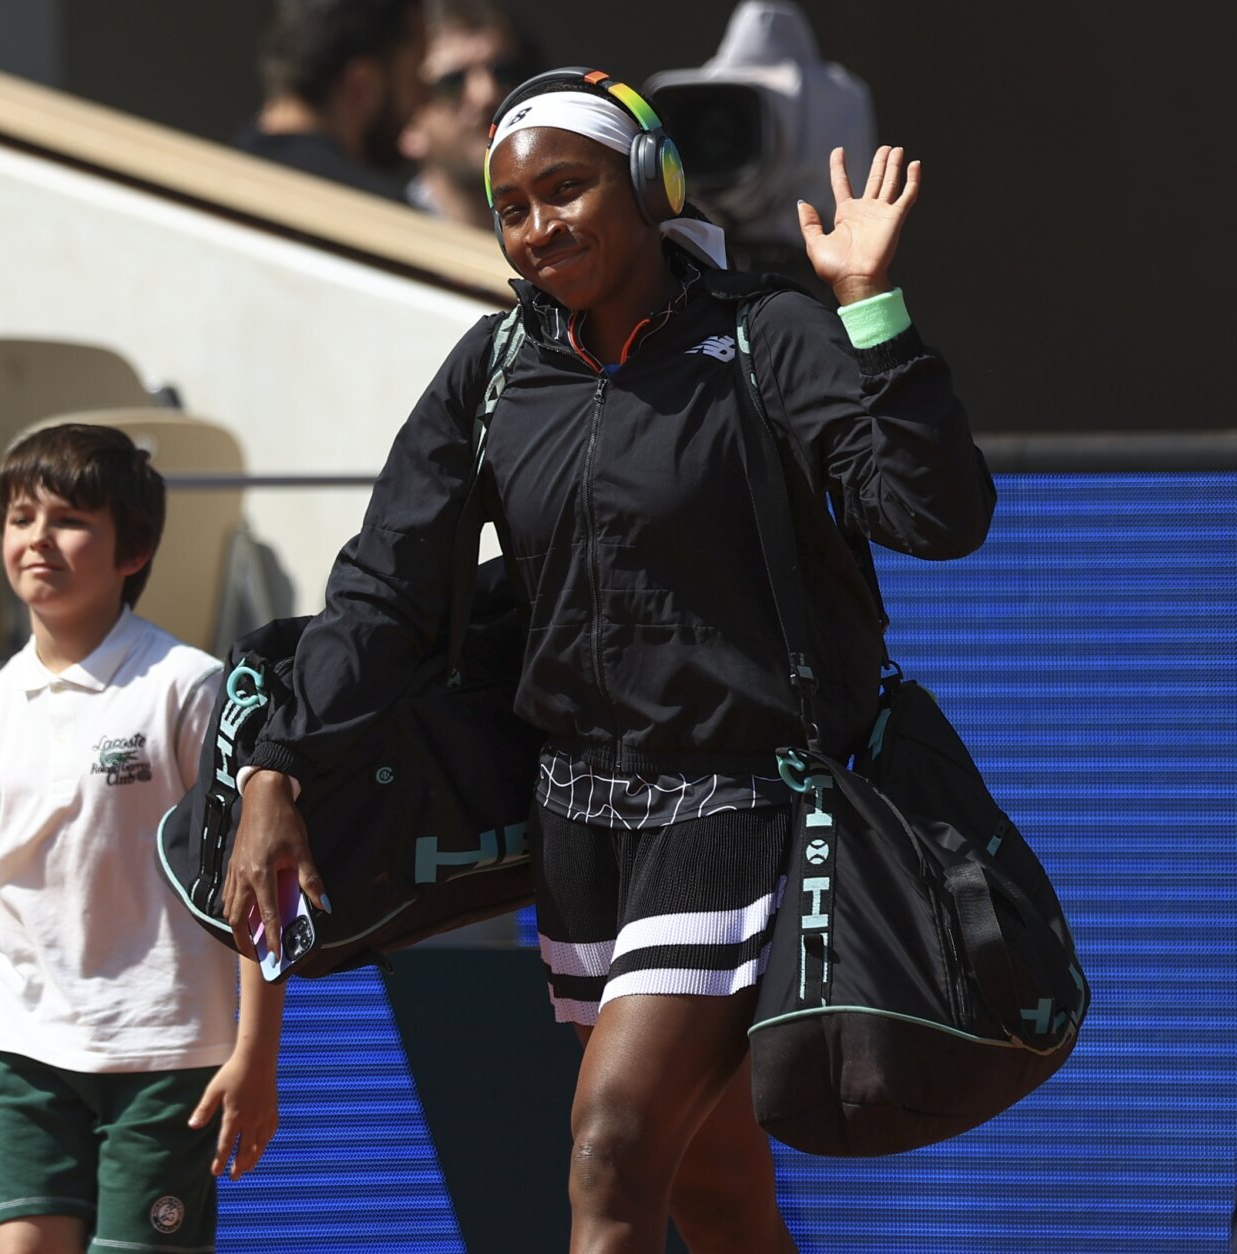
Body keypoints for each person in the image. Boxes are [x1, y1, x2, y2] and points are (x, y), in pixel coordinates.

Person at [223, 69, 994, 1253]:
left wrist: (868, 306)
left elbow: (934, 516)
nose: (538, 226)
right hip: (577, 830)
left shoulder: (765, 334)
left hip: (735, 804)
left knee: (610, 1150)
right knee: (714, 1191)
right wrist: (276, 766)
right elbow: (385, 586)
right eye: (512, 208)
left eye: (566, 189)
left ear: (649, 183)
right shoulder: (491, 369)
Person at [0, 423, 285, 1254]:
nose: (37, 539)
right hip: (26, 1054)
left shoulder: (188, 687)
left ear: (134, 551)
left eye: (69, 520)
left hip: (169, 1055)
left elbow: (253, 885)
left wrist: (256, 1055)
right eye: (20, 518)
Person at [236, 0, 427, 202]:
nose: (424, 102)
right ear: (360, 88)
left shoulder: (224, 172)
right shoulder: (376, 209)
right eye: (415, 80)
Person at [399, 0, 540, 228]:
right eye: (452, 82)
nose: (487, 94)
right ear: (408, 126)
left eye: (503, 72)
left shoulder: (559, 233)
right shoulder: (378, 230)